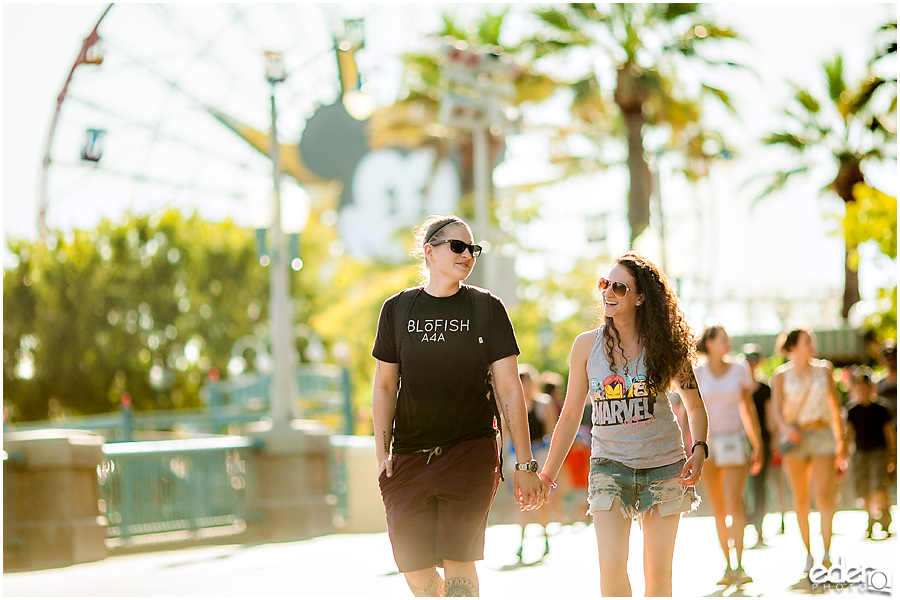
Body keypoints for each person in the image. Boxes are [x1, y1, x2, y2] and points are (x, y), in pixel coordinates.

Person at [372, 214, 543, 597]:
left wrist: (525, 462)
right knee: (415, 571)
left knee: (459, 565)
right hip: (409, 457)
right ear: (429, 251)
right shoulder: (397, 310)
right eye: (458, 246)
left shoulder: (487, 308)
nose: (468, 255)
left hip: (471, 452)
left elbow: (511, 391)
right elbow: (384, 386)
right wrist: (382, 450)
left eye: (473, 249)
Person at [538, 251, 709, 597]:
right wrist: (547, 475)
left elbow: (694, 405)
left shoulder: (666, 346)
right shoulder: (586, 346)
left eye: (619, 287)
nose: (608, 293)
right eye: (605, 284)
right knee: (611, 568)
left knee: (657, 574)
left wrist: (699, 450)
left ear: (640, 297)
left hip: (664, 466)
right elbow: (570, 415)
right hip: (609, 466)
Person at [770, 328, 848, 575]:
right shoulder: (781, 375)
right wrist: (785, 430)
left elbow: (835, 407)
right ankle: (808, 553)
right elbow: (775, 410)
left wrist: (841, 442)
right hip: (796, 438)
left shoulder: (825, 370)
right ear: (793, 347)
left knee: (824, 497)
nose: (812, 345)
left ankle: (826, 552)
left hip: (823, 435)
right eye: (806, 342)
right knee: (801, 500)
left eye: (812, 341)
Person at [695, 327, 764, 586]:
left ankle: (740, 564)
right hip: (709, 446)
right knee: (719, 508)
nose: (729, 343)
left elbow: (747, 408)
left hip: (735, 443)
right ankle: (727, 565)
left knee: (735, 502)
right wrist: (692, 446)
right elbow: (691, 410)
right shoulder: (697, 373)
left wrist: (757, 443)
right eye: (723, 339)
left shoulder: (740, 369)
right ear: (710, 343)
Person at [846, 367, 895, 538]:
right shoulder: (852, 410)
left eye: (865, 386)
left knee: (878, 484)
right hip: (860, 453)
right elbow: (848, 434)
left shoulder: (881, 408)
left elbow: (889, 432)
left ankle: (884, 516)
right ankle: (870, 519)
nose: (862, 390)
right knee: (863, 486)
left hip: (879, 451)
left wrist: (893, 454)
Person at [742, 344, 775, 548]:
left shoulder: (765, 389)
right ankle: (744, 525)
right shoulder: (739, 387)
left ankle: (759, 529)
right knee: (741, 488)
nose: (751, 364)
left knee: (760, 487)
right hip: (740, 442)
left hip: (763, 442)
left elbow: (770, 419)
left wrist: (774, 443)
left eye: (754, 360)